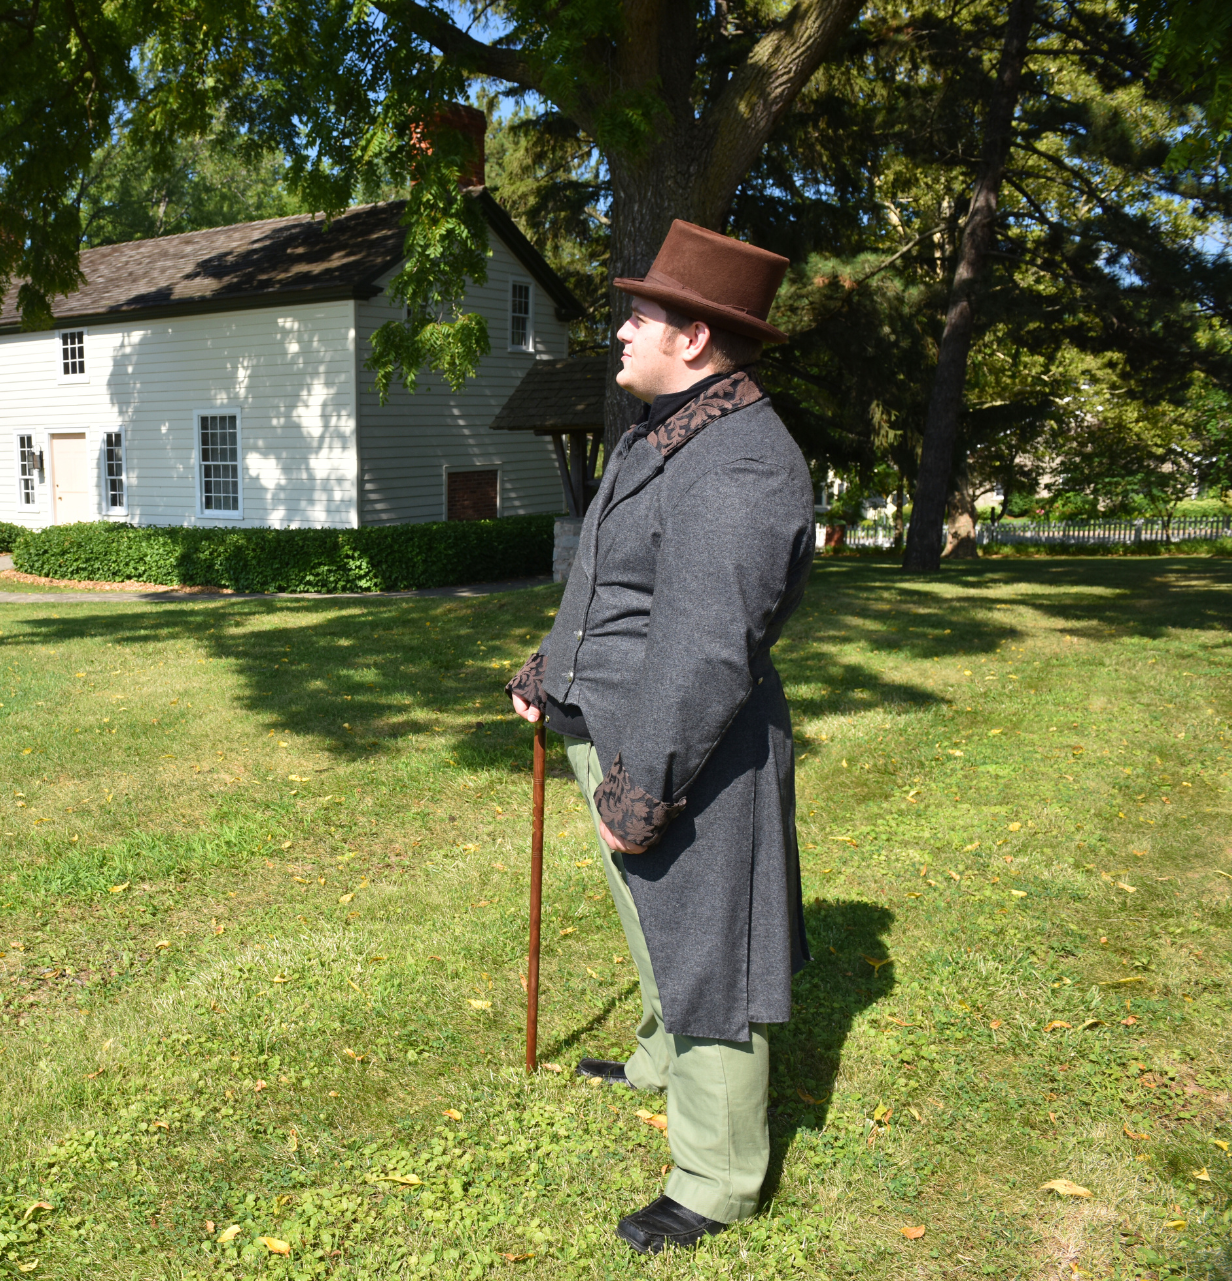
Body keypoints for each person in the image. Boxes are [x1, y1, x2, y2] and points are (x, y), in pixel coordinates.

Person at [504, 220, 816, 1254]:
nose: (622, 330)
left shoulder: (740, 463)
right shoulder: (664, 429)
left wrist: (645, 788)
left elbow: (706, 649)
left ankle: (720, 1177)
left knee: (706, 950)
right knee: (655, 927)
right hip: (619, 725)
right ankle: (654, 1056)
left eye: (639, 315)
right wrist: (556, 670)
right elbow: (612, 584)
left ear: (693, 337)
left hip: (688, 749)